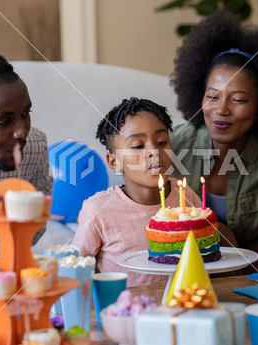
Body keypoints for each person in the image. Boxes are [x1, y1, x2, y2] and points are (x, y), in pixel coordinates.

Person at [169, 10, 258, 271]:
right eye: (213, 97)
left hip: (257, 272)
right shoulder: (175, 145)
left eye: (238, 99)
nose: (222, 110)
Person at [72, 97, 202, 286]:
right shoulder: (98, 210)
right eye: (138, 146)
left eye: (161, 142)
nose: (154, 151)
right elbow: (76, 271)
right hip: (122, 311)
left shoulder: (185, 195)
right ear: (114, 162)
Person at [0, 54, 53, 244]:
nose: (22, 132)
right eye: (4, 121)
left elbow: (39, 217)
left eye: (25, 114)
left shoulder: (35, 147)